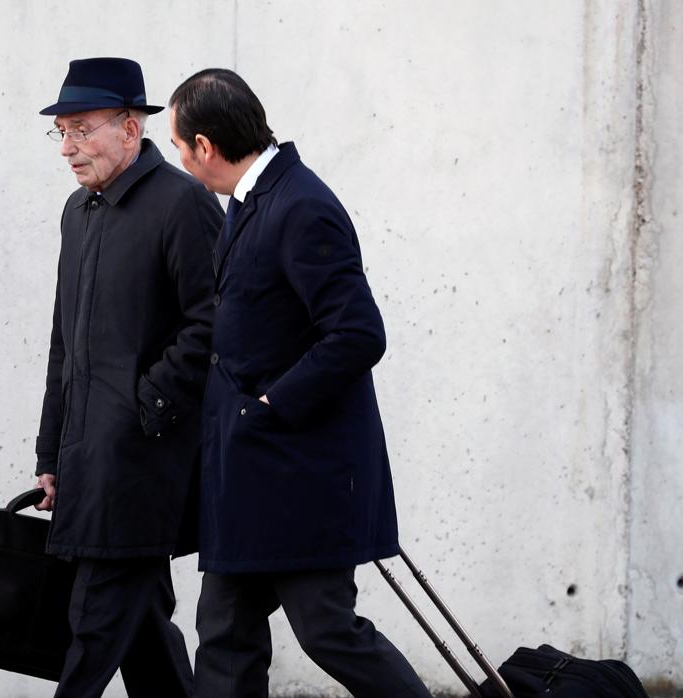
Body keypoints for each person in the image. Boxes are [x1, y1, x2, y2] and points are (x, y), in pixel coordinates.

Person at [166, 68, 431, 697]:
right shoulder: (253, 200)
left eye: (178, 145)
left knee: (327, 630)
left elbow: (359, 334)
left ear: (204, 146)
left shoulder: (302, 205)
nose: (178, 158)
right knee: (225, 634)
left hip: (300, 474)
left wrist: (267, 406)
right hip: (249, 477)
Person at [32, 57, 223, 698]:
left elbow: (215, 321)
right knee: (140, 631)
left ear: (130, 127)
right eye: (60, 132)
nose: (68, 148)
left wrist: (148, 403)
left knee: (91, 623)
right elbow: (66, 343)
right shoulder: (77, 212)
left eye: (81, 129)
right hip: (88, 453)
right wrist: (50, 451)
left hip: (145, 457)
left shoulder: (183, 204)